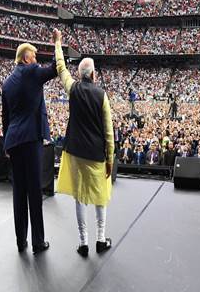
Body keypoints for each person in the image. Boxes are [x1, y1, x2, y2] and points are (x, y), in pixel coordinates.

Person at [52, 29, 114, 257]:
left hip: (76, 151)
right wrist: (110, 159)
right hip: (96, 153)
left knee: (80, 197)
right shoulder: (102, 95)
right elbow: (109, 132)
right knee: (100, 196)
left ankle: (83, 242)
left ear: (79, 74)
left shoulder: (73, 88)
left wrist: (58, 44)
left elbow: (60, 68)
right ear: (94, 75)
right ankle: (100, 239)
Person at [1, 41, 57, 254]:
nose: (36, 61)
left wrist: (6, 143)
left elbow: (5, 117)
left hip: (14, 141)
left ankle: (20, 240)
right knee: (34, 191)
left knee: (19, 192)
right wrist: (58, 44)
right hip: (31, 138)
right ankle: (38, 242)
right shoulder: (31, 71)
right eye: (34, 57)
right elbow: (54, 69)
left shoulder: (7, 83)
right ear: (26, 58)